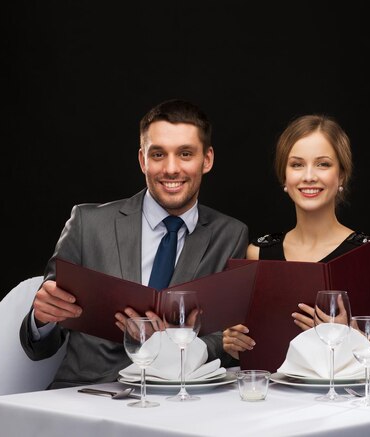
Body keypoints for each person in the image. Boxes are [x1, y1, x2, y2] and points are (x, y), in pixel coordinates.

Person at [20, 99, 249, 389]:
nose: (171, 168)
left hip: (179, 400)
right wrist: (42, 319)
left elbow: (225, 340)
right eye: (158, 154)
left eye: (185, 154)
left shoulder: (230, 234)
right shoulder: (87, 224)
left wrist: (176, 344)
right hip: (87, 396)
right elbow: (39, 345)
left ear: (207, 159)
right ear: (143, 160)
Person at [222, 114, 370, 381]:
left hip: (351, 404)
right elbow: (259, 354)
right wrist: (236, 344)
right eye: (297, 165)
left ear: (341, 174)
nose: (309, 176)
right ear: (284, 178)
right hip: (279, 403)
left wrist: (347, 335)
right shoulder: (258, 253)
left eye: (323, 164)